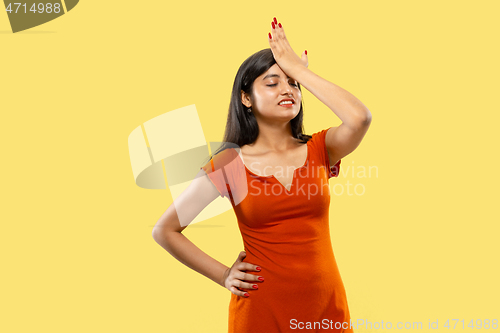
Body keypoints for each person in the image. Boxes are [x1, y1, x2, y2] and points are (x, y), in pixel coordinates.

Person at [152, 17, 372, 333]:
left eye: (293, 83)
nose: (287, 90)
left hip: (326, 309)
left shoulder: (321, 148)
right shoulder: (229, 163)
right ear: (246, 98)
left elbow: (360, 118)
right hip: (260, 311)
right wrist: (223, 274)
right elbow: (165, 230)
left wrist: (300, 70)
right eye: (272, 82)